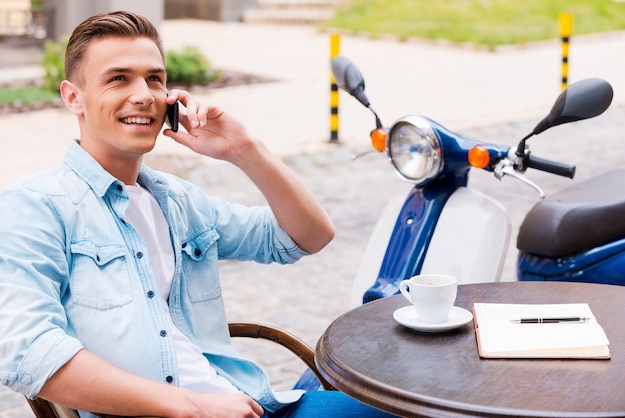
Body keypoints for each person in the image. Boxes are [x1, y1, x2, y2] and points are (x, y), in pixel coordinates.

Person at [0, 10, 396, 418]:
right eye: (119, 78)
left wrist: (245, 150)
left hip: (244, 404)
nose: (144, 94)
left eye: (154, 79)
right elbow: (27, 349)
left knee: (398, 409)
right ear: (73, 97)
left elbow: (307, 236)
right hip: (183, 411)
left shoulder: (178, 200)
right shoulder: (33, 207)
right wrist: (193, 407)